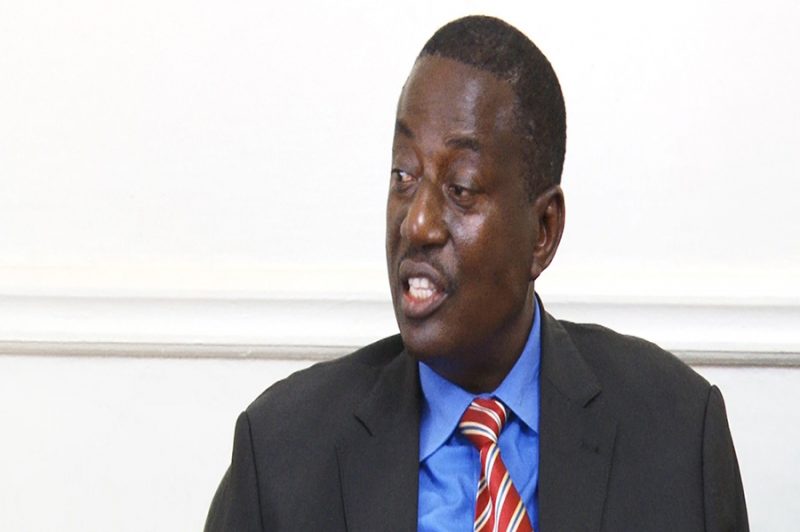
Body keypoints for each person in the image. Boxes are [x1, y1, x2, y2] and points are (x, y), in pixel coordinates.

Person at [205, 15, 748, 532]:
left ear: (543, 231)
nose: (416, 223)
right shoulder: (281, 451)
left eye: (460, 188)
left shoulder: (678, 433)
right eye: (403, 174)